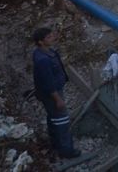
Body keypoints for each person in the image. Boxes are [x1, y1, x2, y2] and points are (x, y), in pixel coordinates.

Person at [32, 27, 81, 159]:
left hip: (52, 91)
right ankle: (66, 150)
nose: (52, 38)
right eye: (48, 37)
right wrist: (58, 99)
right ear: (41, 42)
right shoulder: (43, 59)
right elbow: (48, 82)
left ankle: (54, 143)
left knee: (53, 118)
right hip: (52, 94)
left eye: (51, 35)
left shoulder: (46, 52)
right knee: (62, 120)